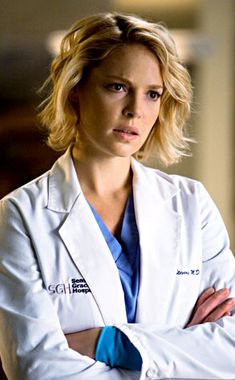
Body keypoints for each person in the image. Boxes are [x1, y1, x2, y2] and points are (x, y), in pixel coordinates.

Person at [0, 12, 234, 380]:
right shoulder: (21, 216)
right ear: (76, 90)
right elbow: (36, 367)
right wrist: (181, 348)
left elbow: (230, 351)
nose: (135, 111)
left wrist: (106, 343)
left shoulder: (192, 204)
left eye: (152, 94)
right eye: (118, 87)